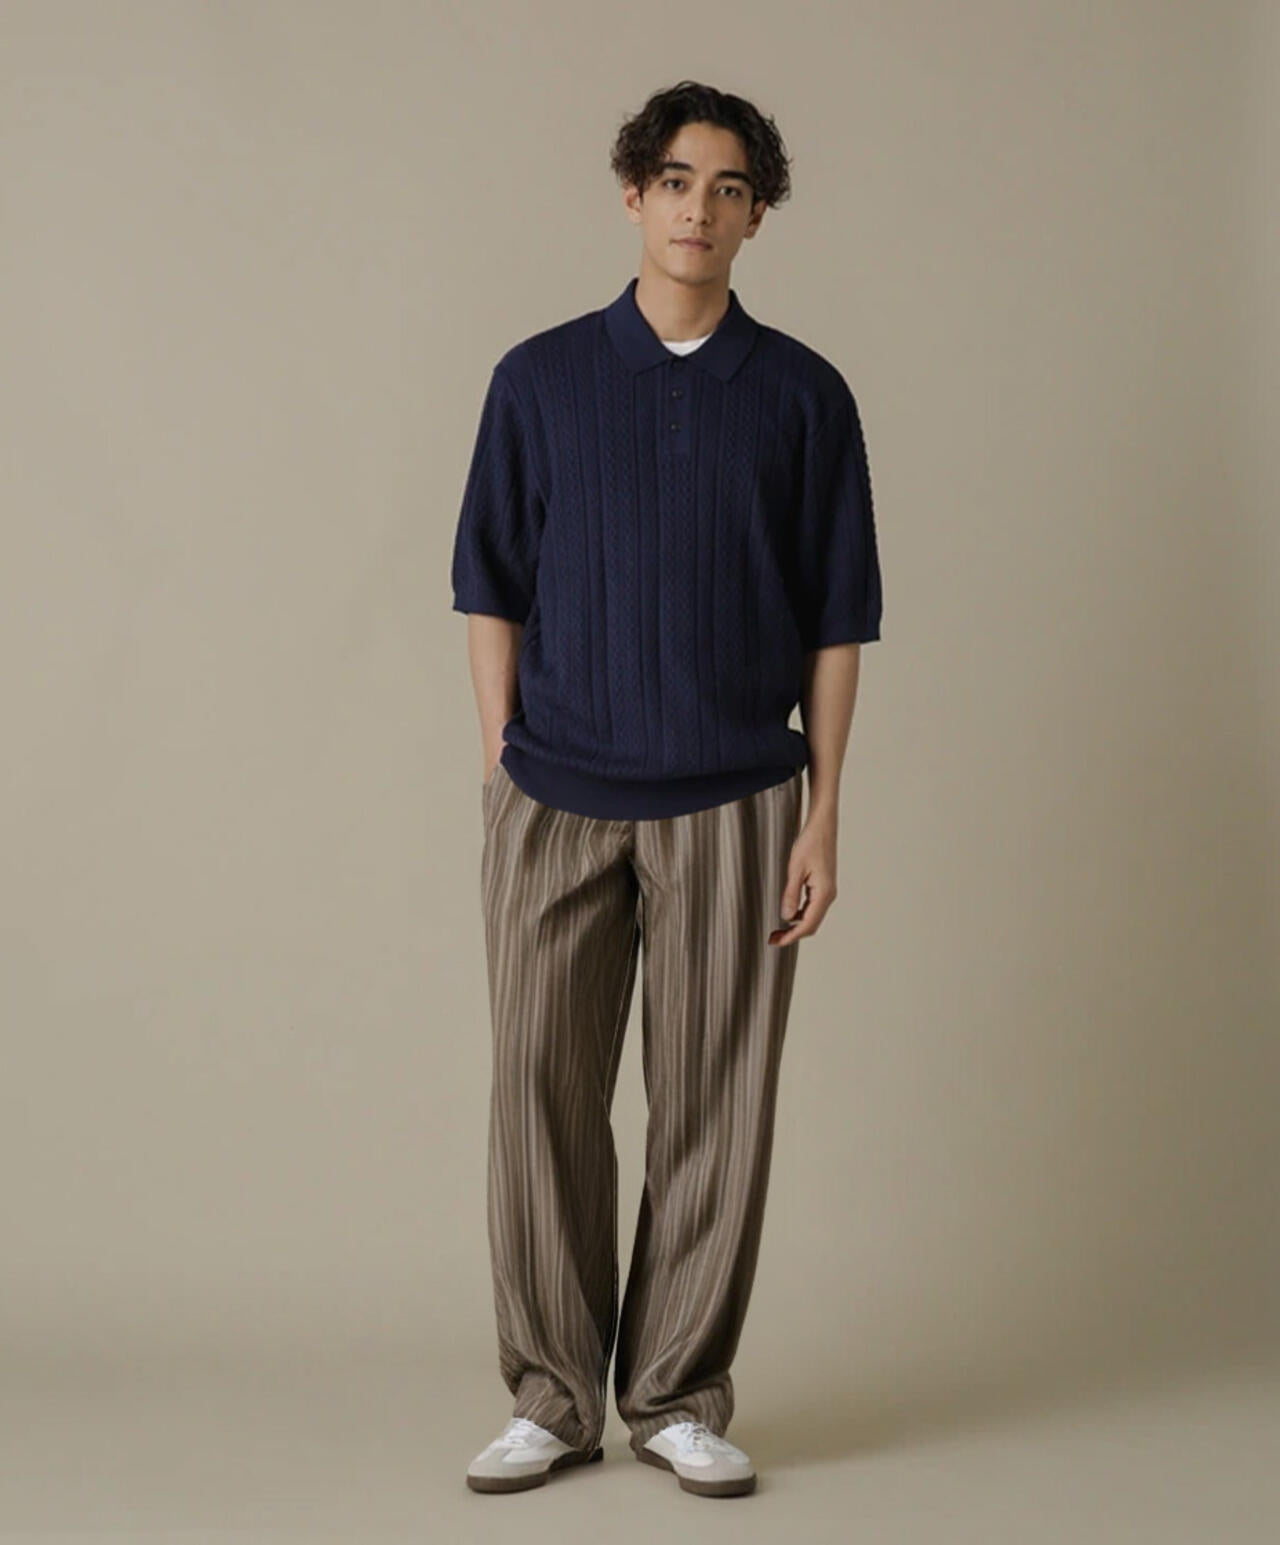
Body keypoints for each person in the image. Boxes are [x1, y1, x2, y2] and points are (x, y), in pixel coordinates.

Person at [451, 79, 883, 1498]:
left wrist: (824, 809)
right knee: (540, 1097)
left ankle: (679, 1394)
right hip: (556, 795)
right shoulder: (539, 379)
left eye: (731, 188)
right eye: (680, 181)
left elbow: (838, 617)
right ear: (633, 195)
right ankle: (552, 1395)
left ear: (758, 215)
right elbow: (489, 581)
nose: (703, 208)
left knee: (716, 1105)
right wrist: (504, 755)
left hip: (739, 800)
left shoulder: (805, 396)